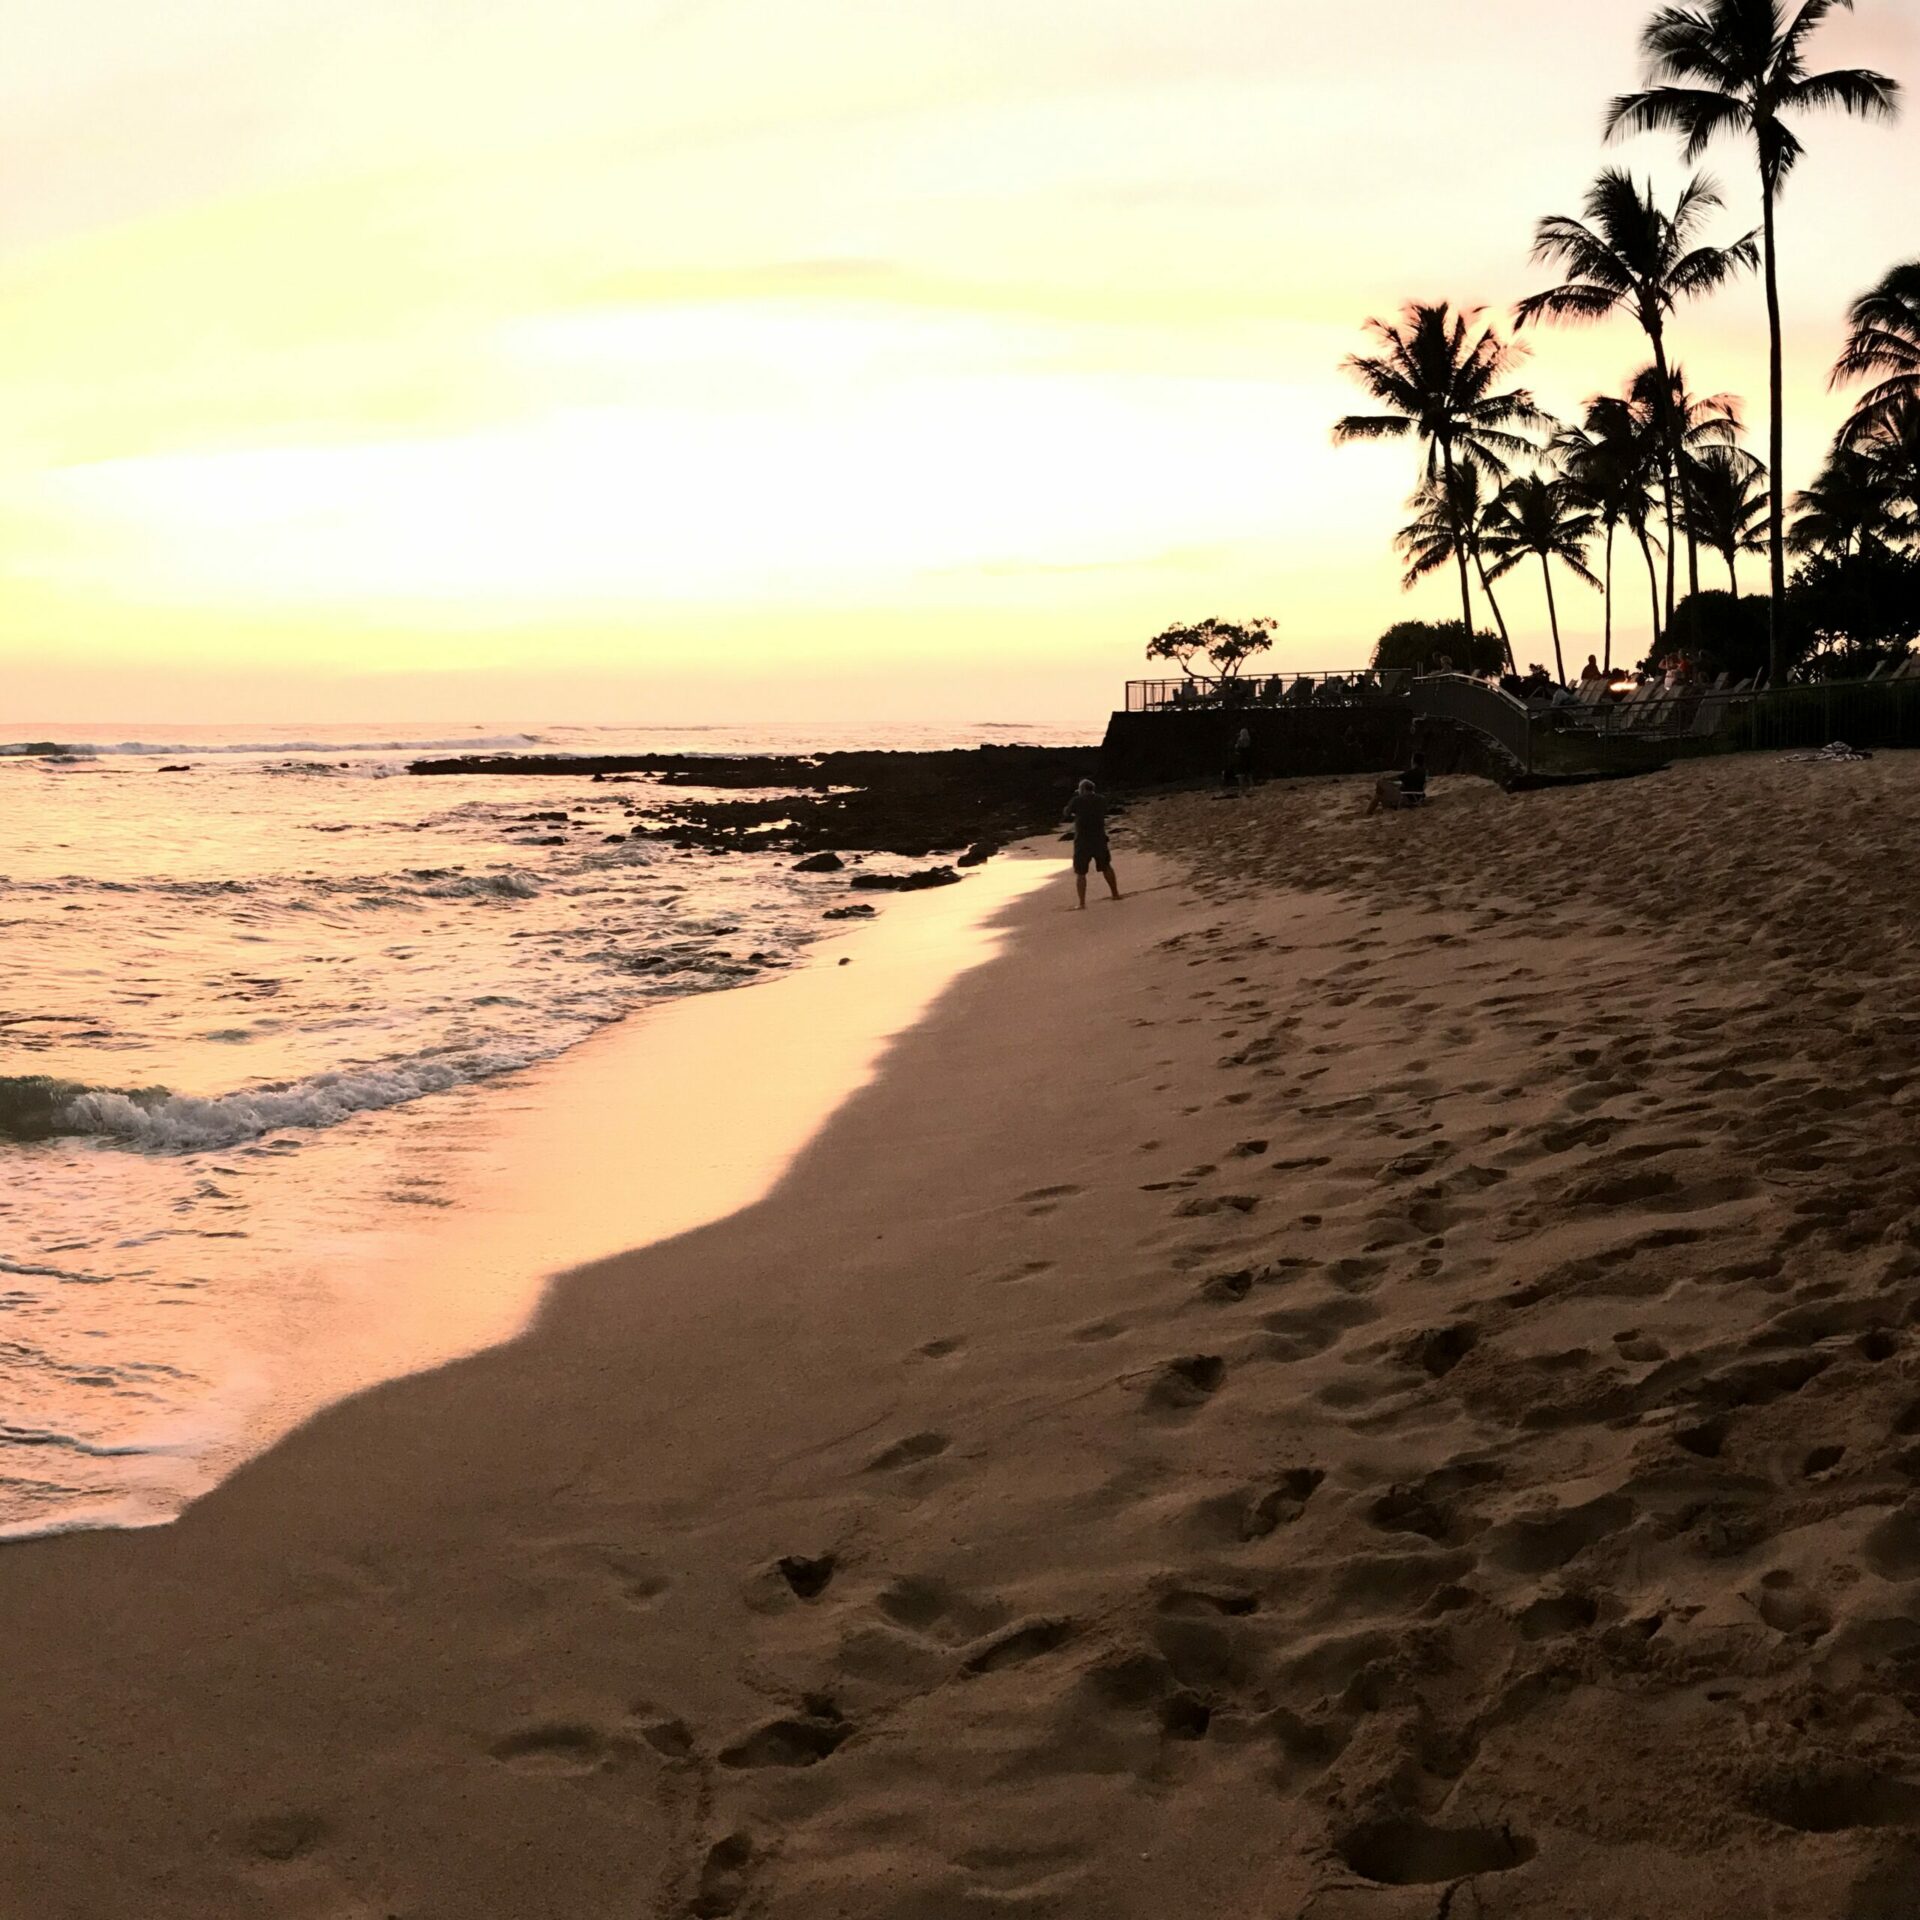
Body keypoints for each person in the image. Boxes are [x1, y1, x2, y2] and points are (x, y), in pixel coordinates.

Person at [1063, 778, 1122, 907]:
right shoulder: (1101, 799)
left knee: (1081, 872)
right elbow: (1104, 810)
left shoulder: (1077, 800)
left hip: (1082, 840)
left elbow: (1066, 813)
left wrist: (1074, 801)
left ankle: (1082, 903)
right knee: (1106, 866)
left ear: (1082, 789)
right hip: (1099, 837)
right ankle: (1115, 893)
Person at [1366, 751, 1427, 815]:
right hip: (1414, 797)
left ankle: (1368, 813)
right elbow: (1408, 784)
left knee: (1380, 784)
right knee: (1381, 792)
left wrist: (1385, 778)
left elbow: (1396, 778)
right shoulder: (1422, 772)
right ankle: (1379, 808)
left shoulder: (1412, 772)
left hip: (1406, 798)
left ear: (1413, 761)